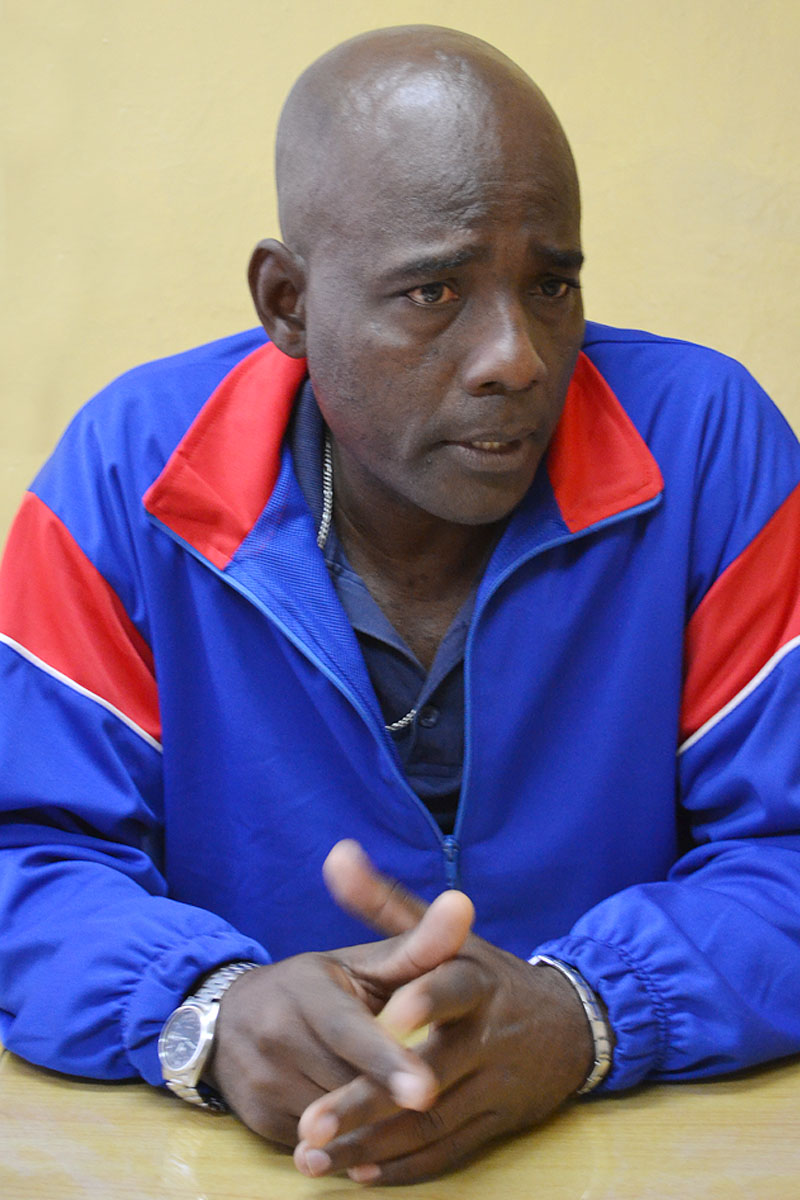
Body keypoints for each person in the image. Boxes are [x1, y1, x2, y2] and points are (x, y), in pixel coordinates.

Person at [1, 24, 800, 1186]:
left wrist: (585, 1017)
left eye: (551, 284)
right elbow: (24, 855)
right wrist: (210, 1015)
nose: (515, 357)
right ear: (288, 301)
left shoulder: (707, 452)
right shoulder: (132, 479)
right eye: (433, 289)